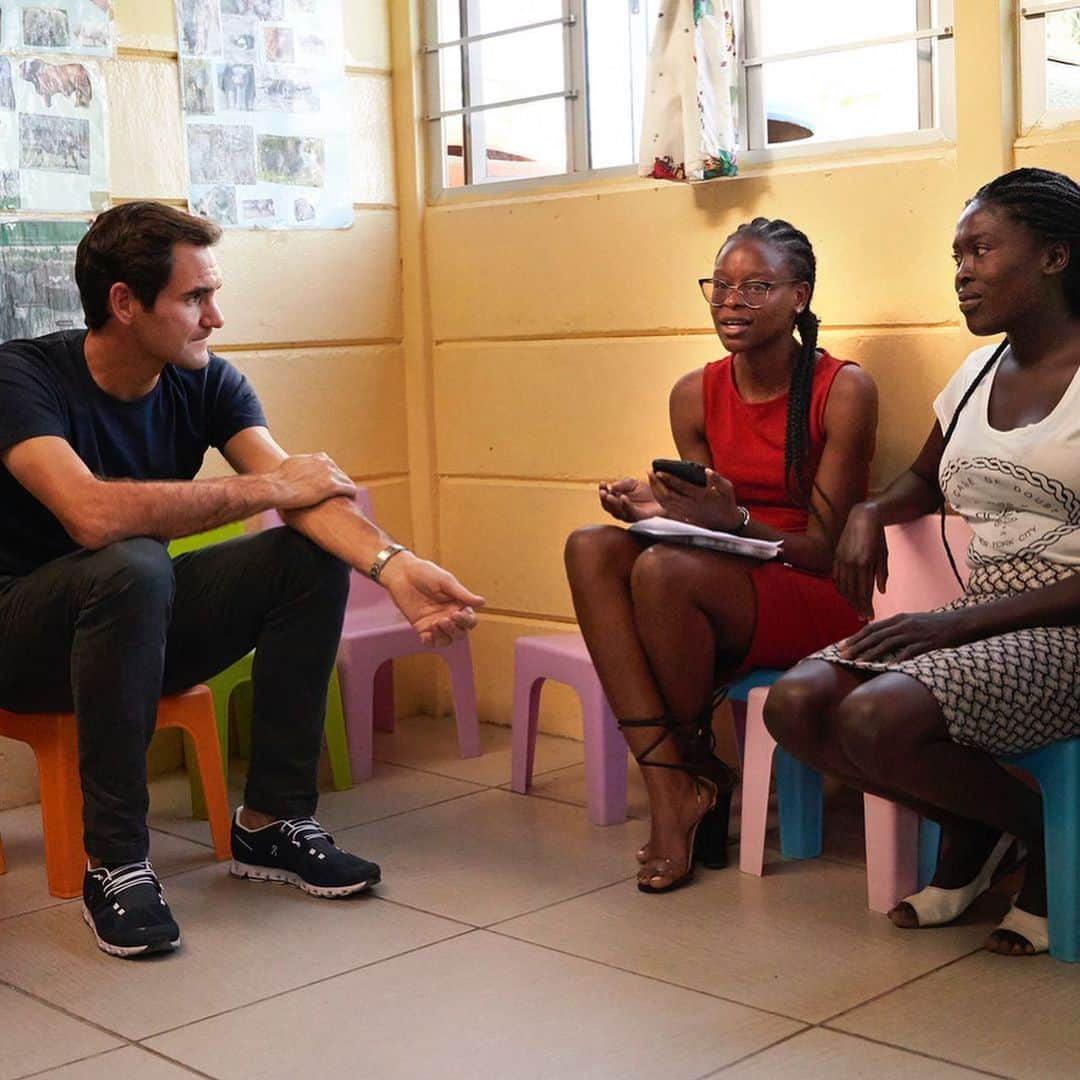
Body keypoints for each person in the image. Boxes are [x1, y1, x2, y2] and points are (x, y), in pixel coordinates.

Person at [0, 201, 484, 958]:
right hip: (19, 638)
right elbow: (90, 514)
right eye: (195, 298)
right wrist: (270, 492)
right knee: (131, 560)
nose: (215, 317)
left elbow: (305, 496)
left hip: (132, 621)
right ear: (124, 303)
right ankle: (118, 863)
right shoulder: (21, 375)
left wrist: (395, 566)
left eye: (212, 295)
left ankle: (271, 823)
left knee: (304, 555)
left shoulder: (206, 382)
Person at [763, 168, 1080, 956]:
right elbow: (923, 478)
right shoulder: (975, 375)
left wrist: (959, 624)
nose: (961, 272)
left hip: (1066, 628)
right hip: (985, 620)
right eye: (956, 254)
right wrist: (871, 510)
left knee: (876, 713)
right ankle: (988, 831)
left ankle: (1046, 843)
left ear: (1055, 256)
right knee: (796, 703)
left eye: (981, 249)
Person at [564, 218, 877, 893]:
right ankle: (672, 784)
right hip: (725, 575)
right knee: (591, 548)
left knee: (664, 571)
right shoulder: (693, 391)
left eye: (757, 286)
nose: (732, 302)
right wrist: (653, 509)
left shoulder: (842, 388)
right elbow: (697, 521)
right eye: (722, 286)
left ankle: (692, 780)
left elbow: (824, 551)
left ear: (799, 296)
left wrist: (729, 518)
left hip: (815, 590)